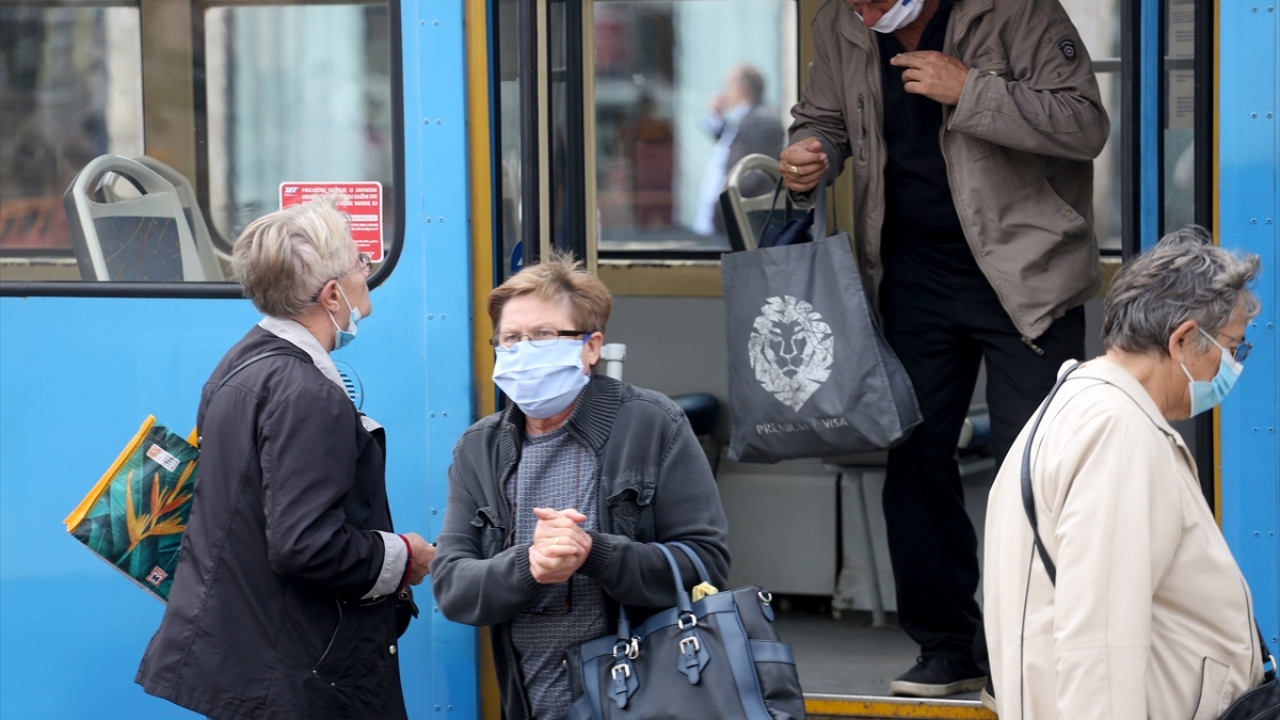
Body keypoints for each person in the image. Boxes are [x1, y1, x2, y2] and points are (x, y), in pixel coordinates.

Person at [779, 0, 1109, 697]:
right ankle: (947, 646)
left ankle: (1030, 655)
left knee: (1038, 475)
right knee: (916, 466)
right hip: (910, 278)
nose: (862, 10)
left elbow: (1086, 125)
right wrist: (813, 154)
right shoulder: (839, 21)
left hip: (1027, 276)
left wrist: (973, 91)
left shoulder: (1017, 11)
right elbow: (825, 118)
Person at [136, 196, 435, 719]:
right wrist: (402, 556)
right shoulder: (306, 392)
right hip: (299, 677)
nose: (368, 272)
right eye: (360, 263)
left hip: (254, 662)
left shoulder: (239, 366)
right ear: (332, 293)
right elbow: (305, 545)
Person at [431, 252, 730, 720]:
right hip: (530, 702)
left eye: (544, 335)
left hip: (645, 701)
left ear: (591, 347)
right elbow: (452, 587)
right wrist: (529, 565)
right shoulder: (479, 449)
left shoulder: (653, 425)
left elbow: (705, 564)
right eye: (510, 339)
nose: (523, 351)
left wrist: (594, 553)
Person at [983, 228, 1265, 718]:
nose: (1234, 365)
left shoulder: (1081, 407)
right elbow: (1101, 645)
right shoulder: (1118, 432)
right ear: (1183, 339)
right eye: (1233, 348)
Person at [693, 63, 785, 235]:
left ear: (741, 89)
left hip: (743, 216)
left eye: (727, 86)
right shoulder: (747, 116)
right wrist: (717, 116)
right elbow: (733, 143)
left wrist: (726, 203)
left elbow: (754, 171)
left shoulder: (762, 119)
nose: (724, 92)